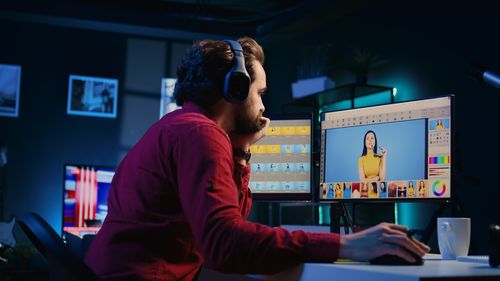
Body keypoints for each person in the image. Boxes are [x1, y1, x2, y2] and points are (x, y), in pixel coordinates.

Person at [84, 37, 429, 281]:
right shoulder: (200, 135)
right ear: (235, 89)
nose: (263, 106)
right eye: (259, 93)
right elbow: (226, 245)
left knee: (285, 268)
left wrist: (243, 150)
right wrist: (346, 244)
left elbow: (227, 225)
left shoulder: (180, 127)